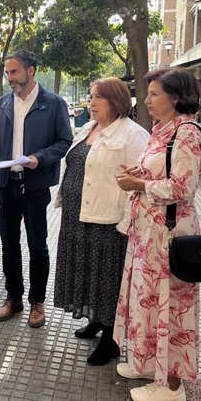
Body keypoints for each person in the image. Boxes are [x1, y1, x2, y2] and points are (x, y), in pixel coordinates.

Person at [0, 50, 73, 328]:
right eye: (8, 73)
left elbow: (63, 141)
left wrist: (40, 158)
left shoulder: (53, 103)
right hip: (5, 183)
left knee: (38, 244)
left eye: (14, 72)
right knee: (9, 242)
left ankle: (37, 302)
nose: (10, 78)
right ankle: (13, 297)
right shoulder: (2, 105)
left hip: (34, 185)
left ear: (30, 71)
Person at [114, 67, 201, 401]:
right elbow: (157, 168)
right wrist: (136, 172)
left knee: (169, 306)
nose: (148, 100)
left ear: (176, 97)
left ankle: (171, 385)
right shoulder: (162, 130)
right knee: (147, 301)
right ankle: (147, 361)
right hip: (147, 234)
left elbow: (183, 186)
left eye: (155, 94)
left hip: (170, 236)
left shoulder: (188, 133)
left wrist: (139, 183)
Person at [53, 77, 149, 366]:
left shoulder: (133, 135)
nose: (92, 102)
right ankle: (96, 320)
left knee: (107, 278)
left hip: (107, 220)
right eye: (92, 96)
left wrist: (126, 221)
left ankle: (111, 339)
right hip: (77, 215)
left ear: (116, 101)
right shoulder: (88, 128)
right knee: (86, 271)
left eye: (99, 97)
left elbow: (139, 181)